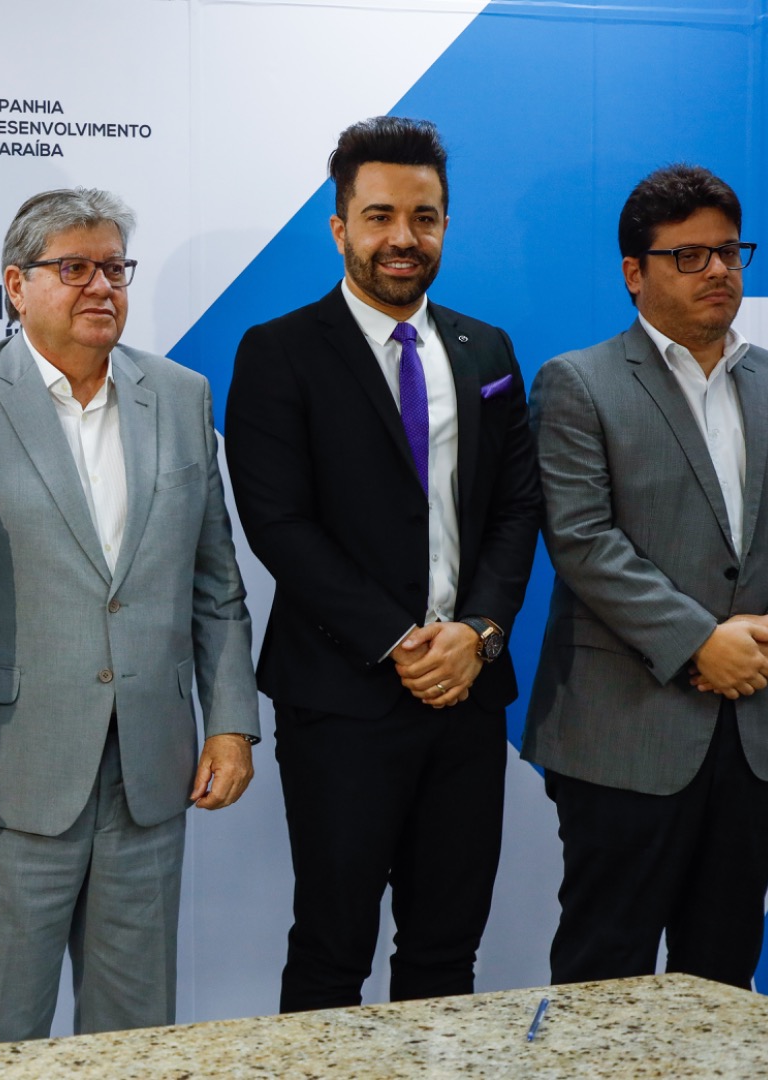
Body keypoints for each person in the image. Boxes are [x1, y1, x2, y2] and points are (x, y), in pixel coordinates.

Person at [0, 188, 259, 1044]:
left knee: (136, 1039)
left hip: (149, 773)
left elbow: (214, 583)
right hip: (4, 779)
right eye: (73, 268)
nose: (100, 286)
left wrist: (229, 725)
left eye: (113, 268)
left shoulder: (179, 395)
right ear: (15, 284)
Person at [225, 116, 541, 1011]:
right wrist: (399, 641)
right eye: (379, 216)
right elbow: (278, 523)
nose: (403, 237)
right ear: (340, 227)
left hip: (467, 692)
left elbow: (516, 508)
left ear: (444, 225)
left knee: (446, 950)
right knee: (331, 949)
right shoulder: (278, 350)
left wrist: (477, 633)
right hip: (342, 697)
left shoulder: (487, 350)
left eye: (423, 217)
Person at [525, 163, 768, 988]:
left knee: (722, 975)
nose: (716, 270)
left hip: (758, 733)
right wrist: (699, 641)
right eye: (688, 256)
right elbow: (581, 539)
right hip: (624, 735)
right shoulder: (578, 382)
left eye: (728, 252)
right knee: (605, 978)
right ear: (633, 273)